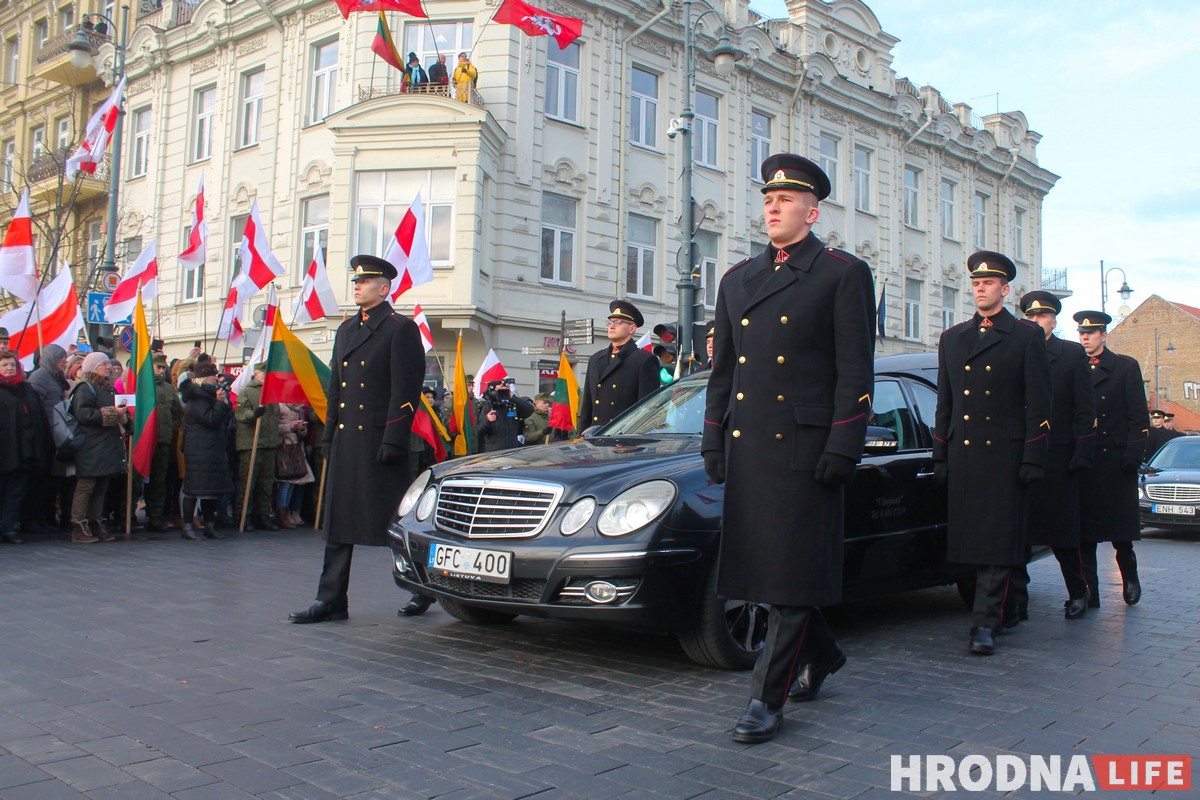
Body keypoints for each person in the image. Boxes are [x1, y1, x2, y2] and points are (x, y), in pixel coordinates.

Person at [702, 153, 875, 744]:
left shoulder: (840, 273)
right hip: (751, 447)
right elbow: (722, 371)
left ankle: (765, 699)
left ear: (813, 210)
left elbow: (857, 372)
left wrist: (844, 445)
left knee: (792, 577)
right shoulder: (736, 280)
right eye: (767, 198)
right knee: (770, 574)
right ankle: (821, 654)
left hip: (806, 450)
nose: (772, 206)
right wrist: (713, 438)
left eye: (786, 199)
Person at [290, 255, 424, 624]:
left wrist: (395, 438)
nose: (356, 286)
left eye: (364, 282)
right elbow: (336, 389)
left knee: (395, 523)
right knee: (338, 521)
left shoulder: (400, 329)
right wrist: (329, 435)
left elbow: (407, 389)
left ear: (384, 288)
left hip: (381, 440)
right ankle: (331, 598)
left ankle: (421, 588)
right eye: (355, 281)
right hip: (350, 439)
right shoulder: (347, 329)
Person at [933, 252, 1051, 656]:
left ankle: (984, 622)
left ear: (1005, 289)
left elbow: (1038, 403)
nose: (980, 288)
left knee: (998, 540)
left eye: (989, 283)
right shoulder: (953, 339)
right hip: (966, 455)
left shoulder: (1025, 336)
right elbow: (944, 404)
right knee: (976, 541)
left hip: (1005, 454)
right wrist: (940, 455)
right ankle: (1011, 605)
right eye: (976, 283)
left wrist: (1034, 456)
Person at [1008, 291, 1096, 621]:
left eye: (1041, 317)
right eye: (1029, 317)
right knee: (1019, 533)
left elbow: (1085, 410)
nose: (1034, 322)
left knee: (1063, 535)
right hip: (1021, 454)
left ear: (1053, 321)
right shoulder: (1015, 351)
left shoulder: (1071, 354)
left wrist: (1082, 453)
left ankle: (1078, 591)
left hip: (1059, 459)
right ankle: (1018, 599)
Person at [1074, 310, 1149, 607]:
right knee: (1085, 536)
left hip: (1117, 461)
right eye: (1081, 333)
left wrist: (1132, 455)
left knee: (1121, 533)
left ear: (1104, 335)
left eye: (1090, 333)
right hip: (1086, 461)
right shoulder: (1075, 367)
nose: (1085, 338)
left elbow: (1138, 417)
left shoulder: (1125, 367)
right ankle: (1090, 592)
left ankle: (1130, 577)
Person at [68, 351, 130, 543]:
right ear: (93, 368)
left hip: (107, 445)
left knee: (101, 487)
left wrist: (125, 417)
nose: (109, 367)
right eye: (103, 364)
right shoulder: (85, 388)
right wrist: (113, 412)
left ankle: (96, 522)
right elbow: (83, 414)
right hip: (90, 446)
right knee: (86, 486)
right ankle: (78, 525)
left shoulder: (110, 389)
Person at [578, 300, 659, 431]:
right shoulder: (596, 359)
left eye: (618, 322)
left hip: (624, 439)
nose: (611, 326)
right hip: (595, 436)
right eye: (610, 322)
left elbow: (647, 409)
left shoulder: (644, 360)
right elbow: (587, 406)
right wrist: (582, 437)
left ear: (632, 328)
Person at [0, 350, 52, 543]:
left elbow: (37, 418)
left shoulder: (26, 389)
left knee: (16, 491)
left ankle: (9, 528)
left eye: (12, 365)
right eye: (4, 365)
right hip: (4, 450)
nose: (9, 368)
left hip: (23, 451)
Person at [180, 362, 234, 539]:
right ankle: (187, 526)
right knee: (194, 489)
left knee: (211, 489)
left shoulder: (208, 396)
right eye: (213, 377)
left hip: (211, 448)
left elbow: (221, 419)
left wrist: (224, 404)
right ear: (203, 379)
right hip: (199, 449)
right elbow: (209, 419)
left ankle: (209, 525)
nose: (216, 380)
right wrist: (220, 404)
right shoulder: (197, 398)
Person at [27, 344, 71, 533]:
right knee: (42, 482)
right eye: (61, 358)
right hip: (46, 434)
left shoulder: (56, 377)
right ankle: (39, 517)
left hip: (57, 434)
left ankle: (49, 516)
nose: (65, 361)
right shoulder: (39, 377)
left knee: (53, 481)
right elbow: (35, 407)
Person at [234, 363, 281, 531]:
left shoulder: (272, 392)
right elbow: (241, 414)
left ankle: (263, 514)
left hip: (269, 442)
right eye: (263, 373)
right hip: (251, 443)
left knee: (267, 483)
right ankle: (243, 516)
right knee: (248, 481)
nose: (266, 375)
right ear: (256, 373)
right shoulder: (247, 391)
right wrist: (253, 415)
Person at [144, 354, 182, 532]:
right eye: (158, 367)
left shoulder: (168, 389)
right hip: (144, 440)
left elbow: (177, 412)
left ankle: (155, 517)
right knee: (137, 481)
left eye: (163, 368)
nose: (161, 371)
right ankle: (125, 517)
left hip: (163, 440)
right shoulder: (141, 385)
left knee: (159, 481)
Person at [275, 402, 315, 529]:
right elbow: (275, 427)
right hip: (284, 447)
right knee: (285, 482)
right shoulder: (280, 406)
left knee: (296, 481)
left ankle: (291, 511)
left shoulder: (300, 409)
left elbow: (304, 432)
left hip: (297, 448)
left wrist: (302, 429)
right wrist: (290, 427)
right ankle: (281, 514)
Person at [477, 378, 534, 452]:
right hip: (494, 452)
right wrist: (487, 420)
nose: (505, 386)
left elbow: (529, 410)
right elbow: (480, 431)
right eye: (502, 385)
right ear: (494, 388)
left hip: (512, 450)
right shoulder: (488, 406)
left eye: (506, 385)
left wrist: (512, 397)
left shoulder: (512, 404)